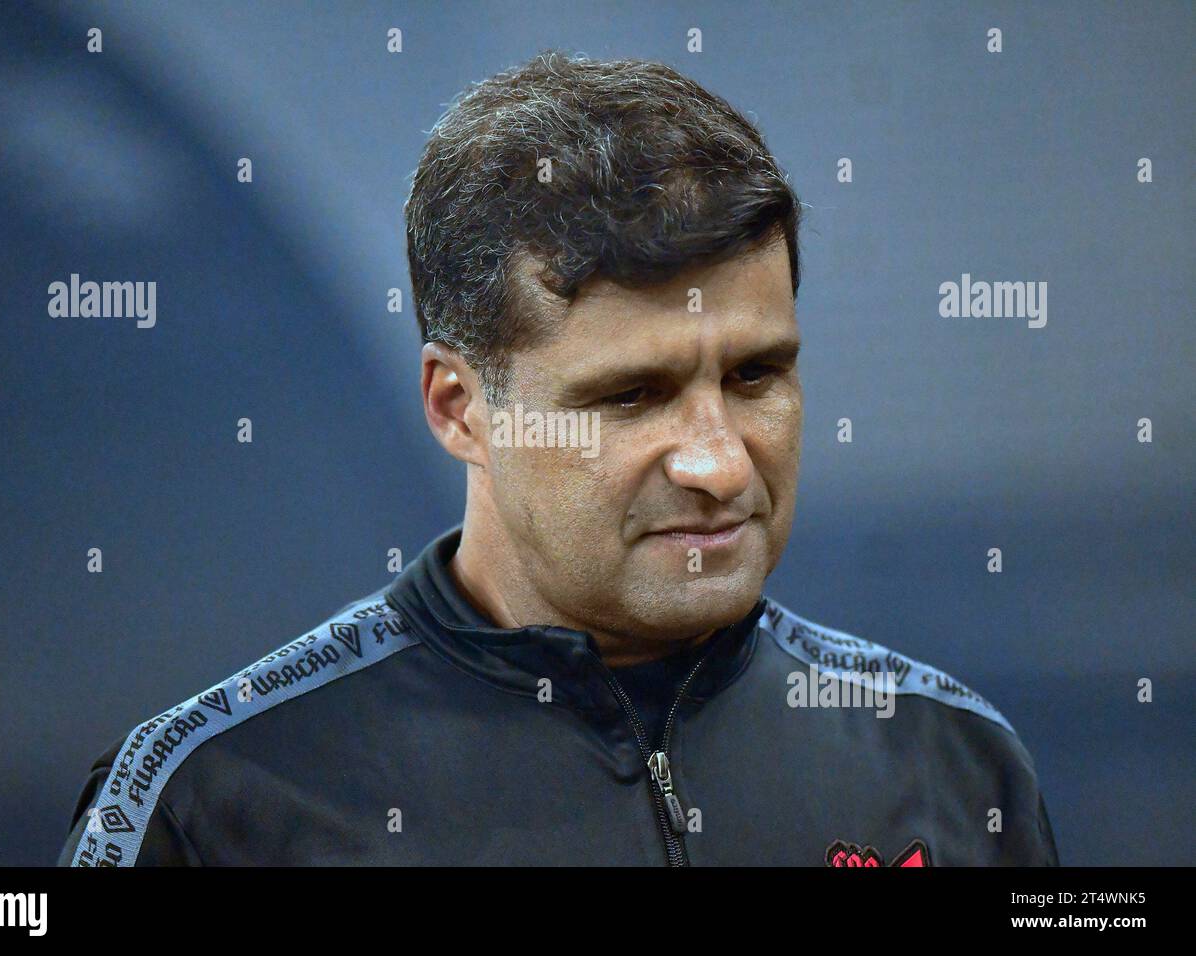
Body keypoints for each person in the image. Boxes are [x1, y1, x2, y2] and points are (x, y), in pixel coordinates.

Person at [58, 50, 1058, 867]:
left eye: (755, 376)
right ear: (459, 408)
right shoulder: (212, 803)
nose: (717, 462)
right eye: (630, 396)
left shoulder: (955, 762)